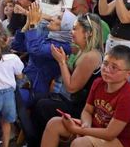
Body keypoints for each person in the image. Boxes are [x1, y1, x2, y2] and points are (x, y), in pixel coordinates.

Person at [41, 45, 130, 147]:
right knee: (54, 124)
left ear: (128, 74)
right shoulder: (98, 83)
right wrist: (85, 126)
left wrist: (78, 130)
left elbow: (110, 134)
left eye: (114, 67)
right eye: (105, 63)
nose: (106, 69)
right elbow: (87, 111)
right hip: (96, 128)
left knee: (80, 144)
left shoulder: (129, 98)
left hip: (119, 141)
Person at [29, 13, 104, 146]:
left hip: (82, 109)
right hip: (74, 100)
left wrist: (62, 62)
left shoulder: (91, 56)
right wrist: (64, 61)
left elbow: (72, 87)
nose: (71, 32)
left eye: (75, 29)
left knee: (43, 106)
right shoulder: (82, 50)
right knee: (37, 98)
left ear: (88, 33)